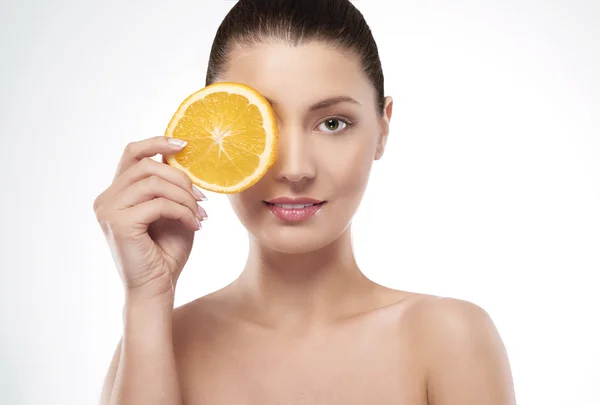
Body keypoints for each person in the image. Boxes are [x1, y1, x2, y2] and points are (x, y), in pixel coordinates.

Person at [94, 0, 516, 404]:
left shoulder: (447, 339)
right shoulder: (155, 344)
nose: (295, 168)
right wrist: (147, 297)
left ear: (383, 129)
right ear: (213, 132)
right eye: (262, 124)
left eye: (332, 123)